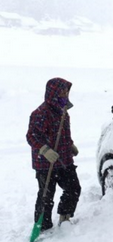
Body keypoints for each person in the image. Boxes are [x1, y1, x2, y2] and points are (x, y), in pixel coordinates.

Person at [26, 77, 81, 231]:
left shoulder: (63, 112)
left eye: (66, 90)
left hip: (64, 160)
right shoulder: (40, 113)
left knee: (73, 188)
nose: (65, 93)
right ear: (53, 92)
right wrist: (45, 150)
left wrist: (70, 145)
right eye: (62, 90)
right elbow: (31, 136)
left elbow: (62, 134)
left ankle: (65, 216)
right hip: (45, 163)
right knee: (46, 196)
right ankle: (42, 225)